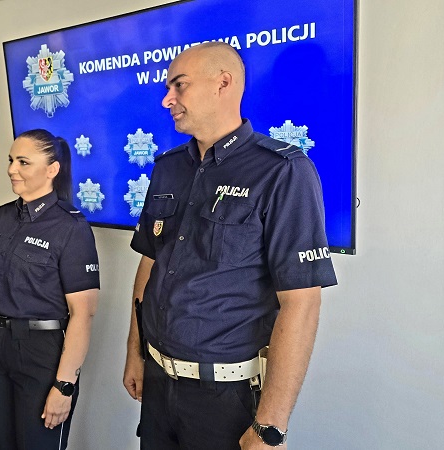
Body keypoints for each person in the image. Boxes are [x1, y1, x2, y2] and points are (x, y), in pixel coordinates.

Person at [122, 42, 337, 449]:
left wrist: (270, 425)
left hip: (225, 399)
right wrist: (135, 352)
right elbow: (150, 264)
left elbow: (301, 302)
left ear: (223, 83)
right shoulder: (168, 168)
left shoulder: (282, 172)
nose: (167, 99)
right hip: (158, 383)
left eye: (179, 85)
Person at [0, 129, 100, 450]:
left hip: (41, 353)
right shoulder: (0, 218)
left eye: (23, 162)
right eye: (11, 160)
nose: (12, 169)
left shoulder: (71, 227)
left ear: (52, 169)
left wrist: (64, 386)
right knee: (3, 443)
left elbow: (83, 313)